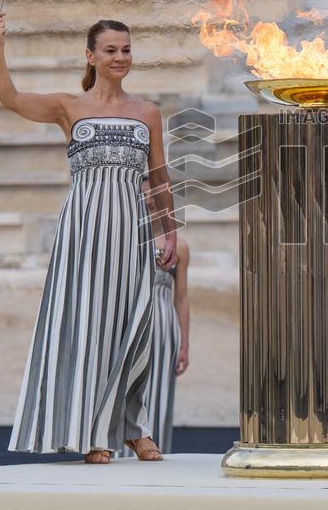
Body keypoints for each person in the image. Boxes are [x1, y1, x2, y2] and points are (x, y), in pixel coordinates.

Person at [0, 13, 180, 464]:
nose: (120, 57)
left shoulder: (146, 112)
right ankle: (97, 434)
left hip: (132, 232)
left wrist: (169, 229)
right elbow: (11, 99)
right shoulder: (68, 106)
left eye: (126, 49)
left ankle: (136, 428)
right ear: (91, 55)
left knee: (136, 329)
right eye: (111, 50)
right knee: (91, 328)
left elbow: (158, 179)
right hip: (83, 232)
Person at [127, 183, 190, 456]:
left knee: (160, 394)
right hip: (131, 323)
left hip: (164, 327)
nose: (150, 200)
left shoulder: (180, 247)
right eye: (145, 193)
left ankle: (155, 450)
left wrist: (185, 345)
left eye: (156, 194)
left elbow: (182, 298)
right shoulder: (123, 241)